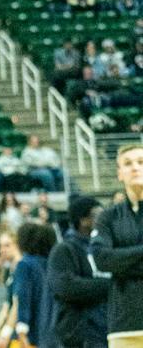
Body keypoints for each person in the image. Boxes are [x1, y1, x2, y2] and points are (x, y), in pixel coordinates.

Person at [91, 143, 143, 347]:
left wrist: (123, 263)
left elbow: (111, 259)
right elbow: (101, 259)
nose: (135, 167)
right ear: (120, 173)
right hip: (124, 323)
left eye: (141, 162)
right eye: (128, 163)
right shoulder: (108, 217)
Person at [47, 196, 108, 348]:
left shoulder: (106, 247)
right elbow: (66, 287)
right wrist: (111, 286)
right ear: (83, 220)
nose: (103, 220)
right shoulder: (64, 249)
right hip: (78, 334)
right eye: (98, 215)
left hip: (106, 329)